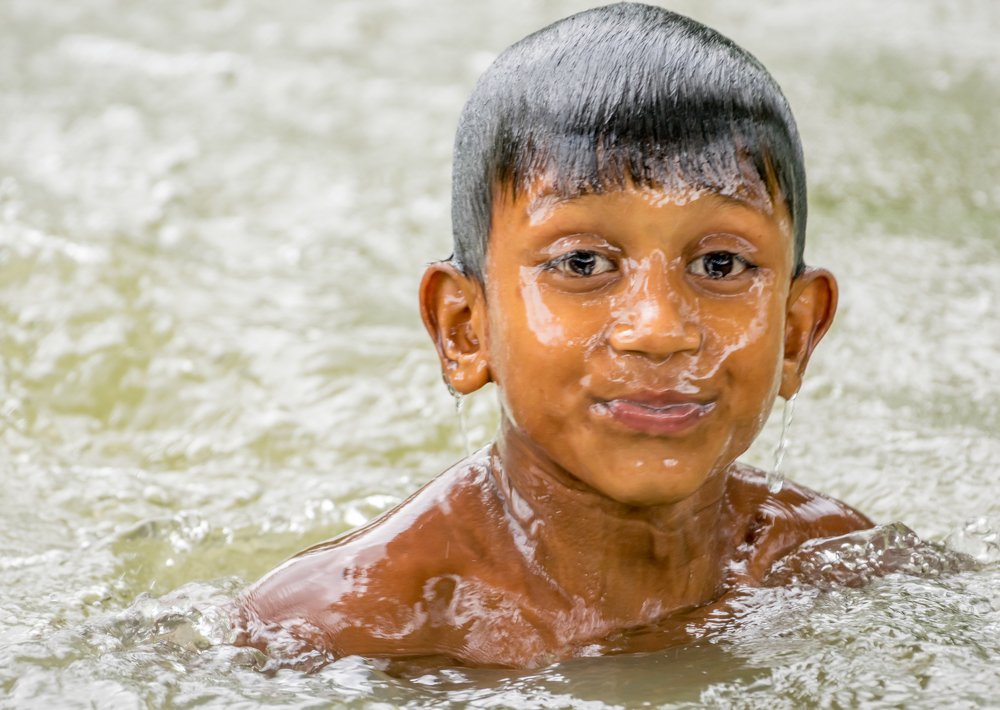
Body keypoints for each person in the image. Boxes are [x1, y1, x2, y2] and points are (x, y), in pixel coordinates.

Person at [234, 2, 873, 669]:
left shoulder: (833, 567)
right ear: (465, 329)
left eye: (720, 266)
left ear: (796, 333)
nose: (658, 330)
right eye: (583, 263)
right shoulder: (337, 627)